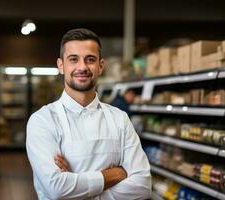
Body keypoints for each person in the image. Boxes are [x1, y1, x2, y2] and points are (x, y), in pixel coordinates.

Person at [26, 28, 151, 199]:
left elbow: (142, 186)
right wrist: (115, 174)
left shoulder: (119, 119)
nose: (82, 67)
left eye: (90, 59)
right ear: (61, 66)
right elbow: (56, 188)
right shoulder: (42, 120)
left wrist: (77, 188)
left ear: (100, 66)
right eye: (73, 59)